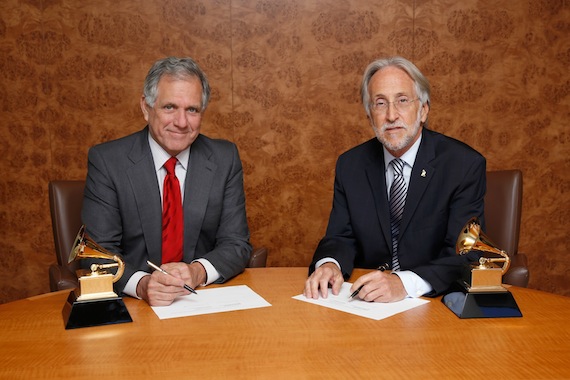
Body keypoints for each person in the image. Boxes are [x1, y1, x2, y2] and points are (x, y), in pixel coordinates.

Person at [303, 56, 485, 302]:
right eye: (380, 103)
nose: (391, 115)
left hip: (434, 303)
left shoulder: (462, 165)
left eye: (402, 100)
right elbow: (340, 236)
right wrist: (329, 264)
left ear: (423, 110)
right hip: (366, 303)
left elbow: (465, 255)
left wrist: (404, 283)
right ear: (369, 116)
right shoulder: (351, 165)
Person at [82, 57, 252, 306]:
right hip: (135, 305)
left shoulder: (224, 158)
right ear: (146, 107)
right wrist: (141, 285)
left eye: (192, 110)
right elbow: (98, 252)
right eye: (170, 107)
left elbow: (236, 244)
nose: (182, 123)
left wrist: (197, 271)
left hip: (202, 302)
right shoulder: (108, 161)